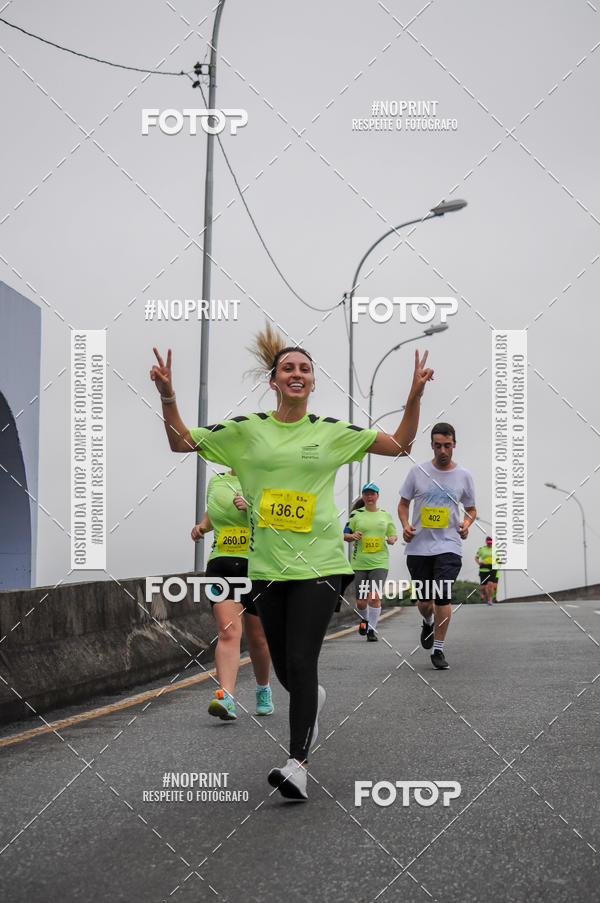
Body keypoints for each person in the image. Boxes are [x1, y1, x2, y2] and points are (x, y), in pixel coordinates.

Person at [150, 326, 433, 800]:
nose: (297, 374)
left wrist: (414, 395)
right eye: (288, 368)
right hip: (265, 569)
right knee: (285, 669)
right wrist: (168, 395)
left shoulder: (332, 433)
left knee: (302, 660)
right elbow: (181, 441)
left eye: (304, 369)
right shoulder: (245, 431)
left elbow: (400, 444)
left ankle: (297, 763)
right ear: (274, 380)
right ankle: (310, 699)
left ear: (313, 382)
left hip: (320, 566)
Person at [191, 469, 274, 720]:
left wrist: (251, 507)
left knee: (258, 638)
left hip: (257, 565)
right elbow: (213, 513)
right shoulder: (217, 481)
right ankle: (226, 697)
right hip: (222, 563)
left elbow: (279, 521)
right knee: (228, 631)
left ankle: (263, 690)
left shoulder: (265, 476)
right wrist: (203, 527)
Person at [397, 422, 476, 670]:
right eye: (438, 445)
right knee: (424, 602)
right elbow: (403, 503)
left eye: (447, 445)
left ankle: (438, 650)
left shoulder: (464, 475)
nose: (443, 450)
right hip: (419, 548)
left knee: (442, 596)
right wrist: (405, 524)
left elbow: (471, 509)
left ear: (454, 445)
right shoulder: (417, 472)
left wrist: (466, 524)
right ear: (432, 445)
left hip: (449, 546)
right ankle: (428, 622)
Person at [343, 483, 397, 642]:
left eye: (372, 494)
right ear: (363, 496)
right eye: (366, 494)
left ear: (377, 496)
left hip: (380, 562)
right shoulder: (356, 515)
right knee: (361, 602)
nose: (369, 497)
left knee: (374, 597)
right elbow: (345, 535)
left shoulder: (385, 515)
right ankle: (365, 620)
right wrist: (352, 537)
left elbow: (393, 534)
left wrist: (392, 539)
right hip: (359, 563)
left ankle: (372, 630)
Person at [475, 536, 499, 604]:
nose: (489, 544)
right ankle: (484, 593)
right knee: (483, 587)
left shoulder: (495, 550)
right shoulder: (482, 549)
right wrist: (479, 562)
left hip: (492, 568)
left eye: (490, 543)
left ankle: (490, 599)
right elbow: (476, 557)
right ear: (486, 542)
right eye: (488, 543)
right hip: (483, 568)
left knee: (491, 584)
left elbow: (498, 559)